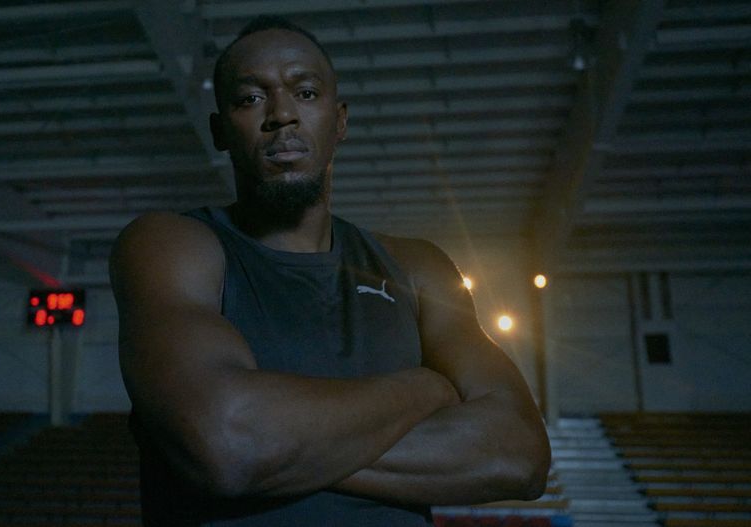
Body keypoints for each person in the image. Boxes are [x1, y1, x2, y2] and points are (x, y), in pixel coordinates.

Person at [109, 16, 551, 526]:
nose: (282, 115)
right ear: (220, 131)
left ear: (339, 121)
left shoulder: (417, 267)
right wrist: (425, 388)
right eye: (251, 98)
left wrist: (285, 449)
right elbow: (228, 444)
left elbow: (519, 455)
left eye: (306, 93)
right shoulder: (172, 245)